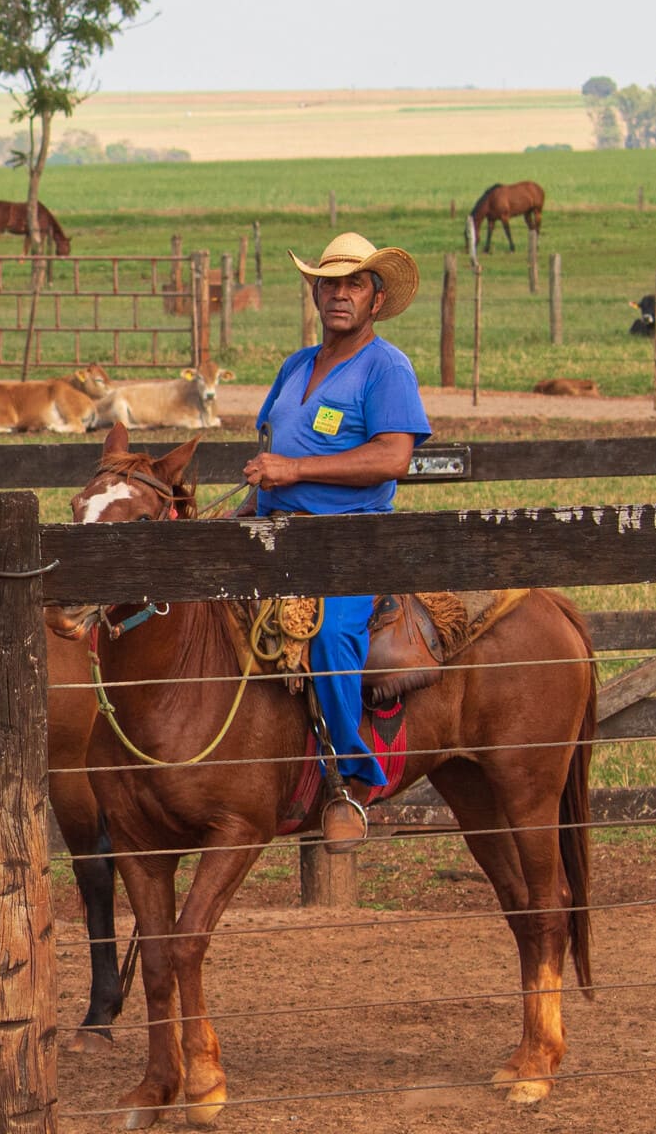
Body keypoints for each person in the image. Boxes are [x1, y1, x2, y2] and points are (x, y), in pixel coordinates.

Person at [242, 232, 432, 852]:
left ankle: (348, 780)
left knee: (329, 633)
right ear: (316, 293)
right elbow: (273, 447)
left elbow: (393, 456)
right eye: (330, 284)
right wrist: (247, 508)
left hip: (350, 540)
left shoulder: (386, 368)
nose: (340, 295)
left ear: (376, 300)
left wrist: (293, 473)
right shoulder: (295, 366)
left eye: (354, 284)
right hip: (274, 532)